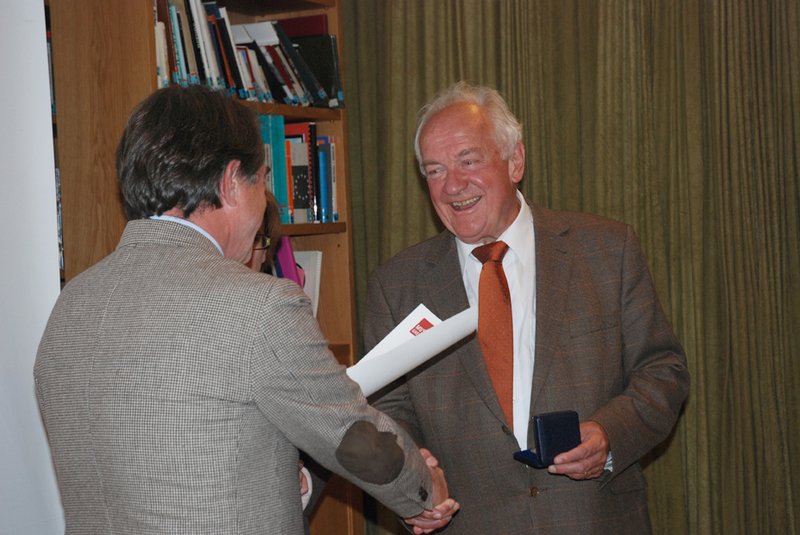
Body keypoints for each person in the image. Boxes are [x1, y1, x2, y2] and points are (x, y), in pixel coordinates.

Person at [34, 84, 458, 535]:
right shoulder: (260, 306)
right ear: (231, 182)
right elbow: (355, 439)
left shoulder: (70, 306)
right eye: (263, 180)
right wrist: (424, 491)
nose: (264, 203)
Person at [364, 81, 690, 534]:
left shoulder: (606, 251)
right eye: (435, 170)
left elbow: (663, 372)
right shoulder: (397, 286)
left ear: (515, 160)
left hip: (592, 520)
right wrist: (411, 487)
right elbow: (385, 415)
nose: (452, 185)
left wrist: (609, 435)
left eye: (468, 161)